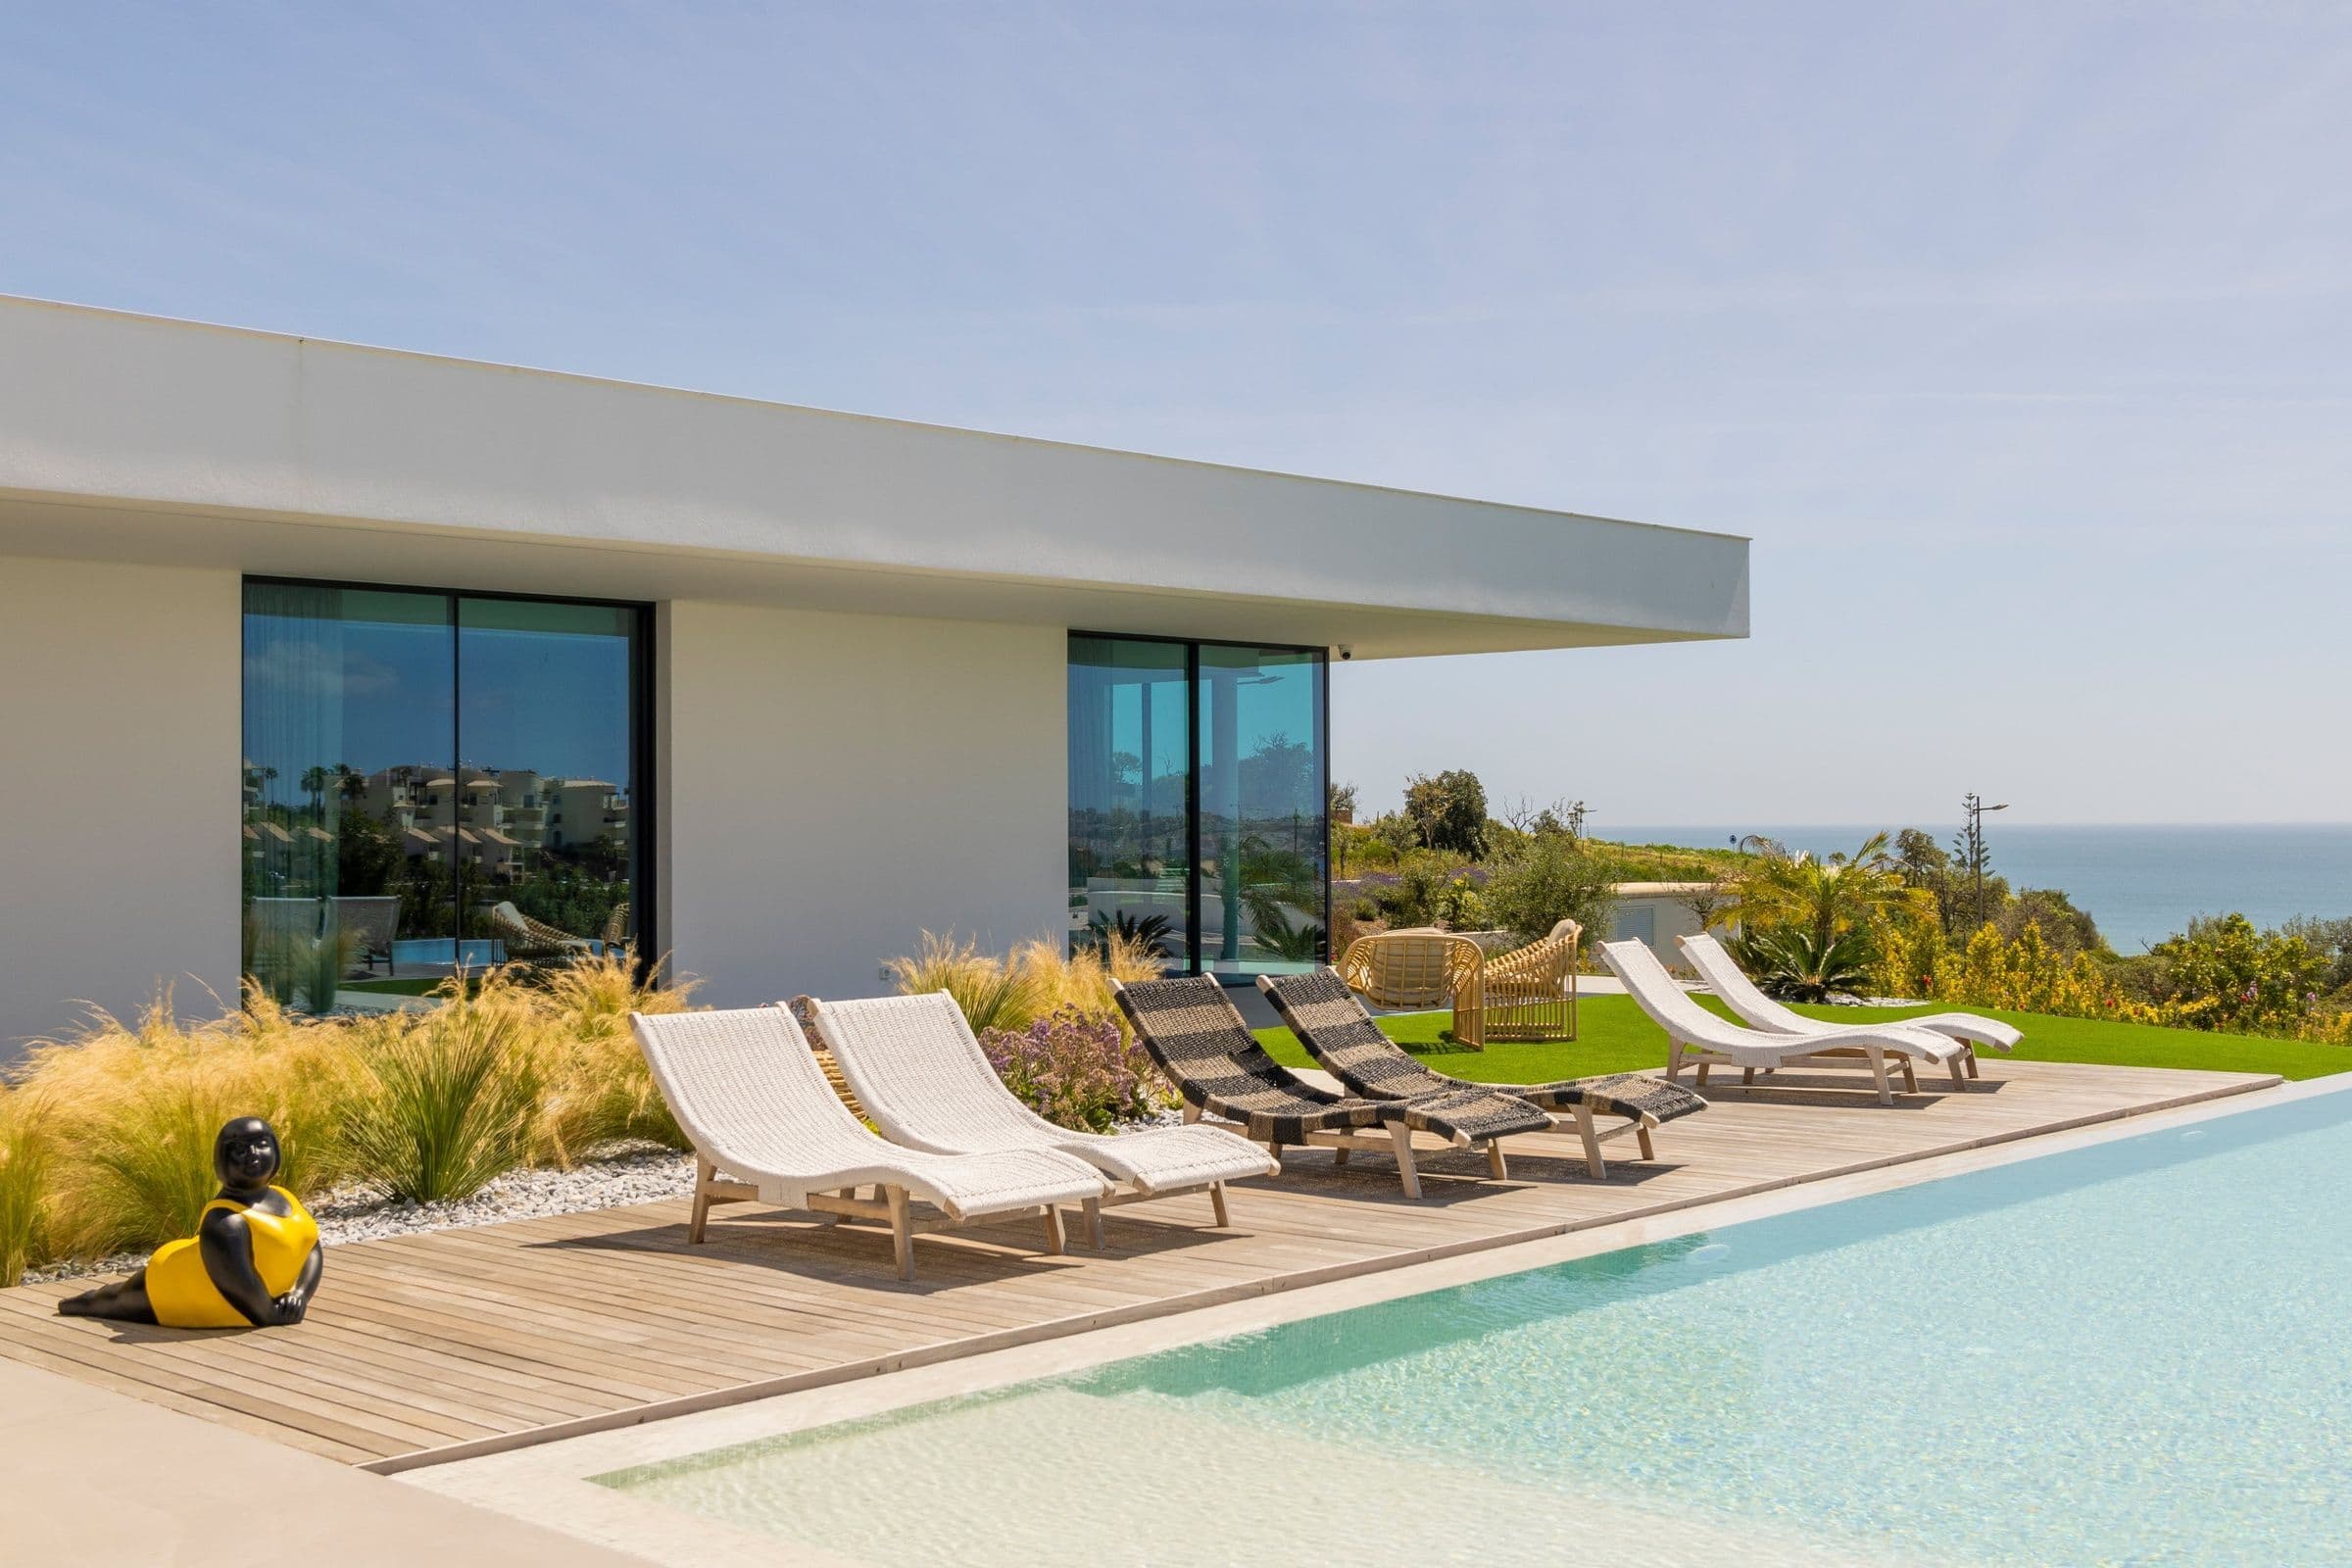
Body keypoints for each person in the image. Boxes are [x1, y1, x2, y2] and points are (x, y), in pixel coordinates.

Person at [57, 1117, 322, 1328]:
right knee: (114, 1300)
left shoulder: (285, 1196)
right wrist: (269, 1314)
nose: (253, 1154)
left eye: (262, 1144)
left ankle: (85, 1300)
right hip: (174, 1283)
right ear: (222, 1160)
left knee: (115, 1296)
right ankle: (76, 1303)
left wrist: (299, 1294)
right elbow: (238, 1286)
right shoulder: (225, 1221)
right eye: (240, 1150)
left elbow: (310, 1247)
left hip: (193, 1260)